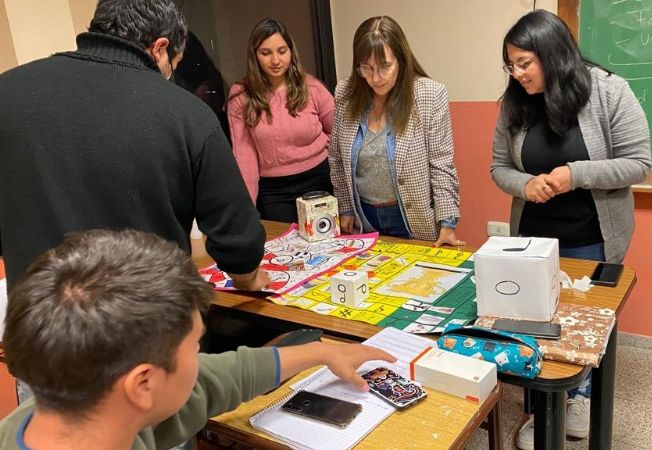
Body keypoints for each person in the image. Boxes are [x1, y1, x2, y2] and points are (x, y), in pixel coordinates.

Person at [0, 229, 395, 449]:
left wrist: (321, 351)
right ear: (143, 383)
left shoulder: (56, 414)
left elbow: (211, 378)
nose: (200, 357)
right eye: (194, 346)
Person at [0, 0, 269, 292]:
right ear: (160, 48)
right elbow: (236, 235)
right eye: (174, 65)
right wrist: (248, 278)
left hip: (37, 321)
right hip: (150, 320)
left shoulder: (7, 92)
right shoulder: (186, 113)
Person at [490, 10, 651, 446]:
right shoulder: (515, 101)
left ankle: (576, 398)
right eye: (511, 64)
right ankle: (539, 406)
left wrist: (573, 175)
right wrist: (525, 183)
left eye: (525, 62)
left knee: (581, 323)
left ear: (554, 55)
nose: (517, 73)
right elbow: (499, 168)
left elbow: (639, 164)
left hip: (592, 235)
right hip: (532, 236)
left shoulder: (609, 91)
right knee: (533, 318)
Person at [328, 16, 463, 247]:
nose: (375, 78)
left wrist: (447, 222)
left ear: (401, 60)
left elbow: (441, 164)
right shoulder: (346, 93)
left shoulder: (429, 95)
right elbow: (336, 158)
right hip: (364, 218)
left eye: (384, 67)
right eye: (367, 68)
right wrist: (346, 207)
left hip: (411, 218)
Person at [228, 18, 335, 222]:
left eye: (282, 51)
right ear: (255, 56)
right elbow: (245, 158)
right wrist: (246, 211)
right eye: (266, 53)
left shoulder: (312, 87)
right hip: (274, 191)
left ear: (291, 51)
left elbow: (340, 134)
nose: (275, 60)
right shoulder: (241, 96)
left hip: (319, 180)